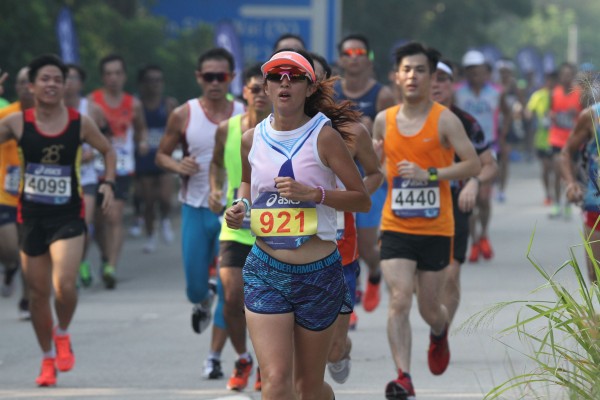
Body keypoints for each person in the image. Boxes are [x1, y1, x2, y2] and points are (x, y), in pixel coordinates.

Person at [224, 49, 370, 400]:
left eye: (294, 77)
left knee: (308, 387)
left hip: (318, 272)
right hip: (265, 269)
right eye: (276, 77)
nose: (284, 83)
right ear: (266, 87)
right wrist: (241, 206)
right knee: (275, 382)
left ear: (310, 87)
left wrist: (315, 193)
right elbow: (247, 184)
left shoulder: (325, 137)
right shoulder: (251, 139)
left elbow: (361, 199)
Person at [0, 54, 116, 387]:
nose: (51, 84)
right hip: (31, 216)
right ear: (31, 86)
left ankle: (62, 331)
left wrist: (108, 182)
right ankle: (47, 357)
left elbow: (108, 150)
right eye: (45, 79)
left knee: (64, 284)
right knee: (38, 295)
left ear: (65, 86)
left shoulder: (79, 122)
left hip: (68, 214)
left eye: (57, 79)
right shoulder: (17, 122)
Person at [373, 42, 480, 399]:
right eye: (406, 69)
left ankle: (439, 332)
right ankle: (403, 376)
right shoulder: (384, 120)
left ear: (432, 76)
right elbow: (378, 169)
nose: (412, 76)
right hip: (396, 226)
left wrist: (430, 174)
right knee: (399, 298)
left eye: (420, 70)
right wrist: (372, 160)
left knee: (430, 309)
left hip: (436, 228)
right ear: (396, 76)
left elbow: (472, 164)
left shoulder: (445, 120)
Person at [156, 48, 245, 341]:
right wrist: (177, 165)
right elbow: (161, 155)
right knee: (194, 287)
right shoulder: (183, 114)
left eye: (221, 76)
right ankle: (203, 299)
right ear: (199, 77)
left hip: (232, 210)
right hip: (195, 206)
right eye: (209, 77)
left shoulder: (245, 113)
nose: (215, 82)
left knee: (229, 287)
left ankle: (217, 353)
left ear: (231, 77)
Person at [309, 51, 384, 384]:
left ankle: (341, 350)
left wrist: (351, 197)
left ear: (327, 85)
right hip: (286, 250)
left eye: (312, 79)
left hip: (340, 250)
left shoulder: (352, 131)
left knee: (333, 348)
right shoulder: (268, 134)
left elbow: (375, 174)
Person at [208, 63, 271, 391]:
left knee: (268, 303)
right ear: (243, 92)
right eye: (253, 89)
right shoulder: (226, 129)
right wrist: (215, 189)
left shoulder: (283, 130)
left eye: (264, 89)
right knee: (232, 297)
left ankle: (266, 364)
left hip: (273, 227)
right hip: (235, 225)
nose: (259, 95)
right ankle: (243, 357)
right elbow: (216, 163)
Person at [431, 59, 498, 325]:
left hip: (453, 201)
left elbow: (489, 165)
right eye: (429, 77)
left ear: (453, 84)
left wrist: (474, 182)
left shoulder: (466, 122)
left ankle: (440, 334)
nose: (435, 84)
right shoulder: (399, 118)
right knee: (411, 283)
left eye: (442, 79)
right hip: (409, 206)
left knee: (450, 274)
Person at [334, 33, 396, 315]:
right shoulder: (331, 93)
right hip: (337, 179)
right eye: (348, 53)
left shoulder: (381, 95)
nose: (354, 58)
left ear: (369, 59)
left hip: (371, 176)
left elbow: (392, 139)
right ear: (340, 60)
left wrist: (370, 137)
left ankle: (374, 273)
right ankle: (350, 299)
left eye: (360, 53)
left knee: (368, 246)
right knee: (341, 242)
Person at [88, 54, 149, 289]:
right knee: (98, 219)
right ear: (102, 77)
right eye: (108, 74)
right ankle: (105, 257)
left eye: (117, 73)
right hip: (95, 166)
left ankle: (111, 266)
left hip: (122, 167)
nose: (113, 78)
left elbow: (141, 129)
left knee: (114, 216)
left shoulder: (133, 104)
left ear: (124, 76)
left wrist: (142, 142)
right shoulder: (92, 102)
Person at [454, 49, 510, 263]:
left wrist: (502, 136)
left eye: (476, 69)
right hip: (464, 150)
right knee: (469, 199)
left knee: (484, 198)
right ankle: (475, 240)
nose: (473, 73)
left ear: (484, 70)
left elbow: (506, 113)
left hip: (489, 148)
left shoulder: (496, 92)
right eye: (469, 69)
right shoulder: (457, 92)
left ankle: (484, 234)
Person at [64, 64, 109, 287]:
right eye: (65, 78)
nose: (68, 83)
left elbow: (107, 143)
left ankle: (80, 262)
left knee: (83, 225)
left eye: (73, 78)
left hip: (87, 178)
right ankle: (67, 268)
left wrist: (94, 155)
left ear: (81, 83)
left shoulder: (91, 109)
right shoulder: (50, 109)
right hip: (60, 179)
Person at [0, 67, 34, 319]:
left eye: (29, 81)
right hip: (5, 191)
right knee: (12, 249)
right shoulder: (6, 114)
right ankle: (10, 267)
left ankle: (27, 300)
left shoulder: (49, 117)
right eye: (21, 82)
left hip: (35, 193)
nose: (25, 87)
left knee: (29, 249)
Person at [135, 64, 178, 253]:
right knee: (149, 201)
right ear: (142, 83)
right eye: (150, 80)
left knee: (165, 198)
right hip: (145, 157)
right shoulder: (136, 105)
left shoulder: (168, 104)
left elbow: (176, 129)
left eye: (158, 80)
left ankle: (165, 220)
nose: (154, 84)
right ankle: (151, 236)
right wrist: (139, 141)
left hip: (164, 155)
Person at [560, 103, 600, 283]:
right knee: (596, 277)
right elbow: (566, 153)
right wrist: (571, 184)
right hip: (596, 206)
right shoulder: (592, 116)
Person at [548, 62, 582, 219]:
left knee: (571, 173)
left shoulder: (579, 94)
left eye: (569, 75)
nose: (566, 77)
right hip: (557, 138)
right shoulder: (554, 93)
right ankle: (556, 203)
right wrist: (552, 116)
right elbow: (550, 112)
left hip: (574, 140)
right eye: (563, 74)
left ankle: (568, 202)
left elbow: (586, 114)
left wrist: (576, 114)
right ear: (560, 76)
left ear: (573, 76)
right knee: (557, 172)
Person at [525, 71, 558, 206]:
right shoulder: (538, 95)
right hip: (542, 139)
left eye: (553, 80)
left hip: (558, 139)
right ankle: (548, 194)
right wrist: (526, 114)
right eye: (549, 80)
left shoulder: (560, 95)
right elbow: (528, 111)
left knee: (556, 169)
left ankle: (557, 195)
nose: (551, 83)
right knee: (545, 168)